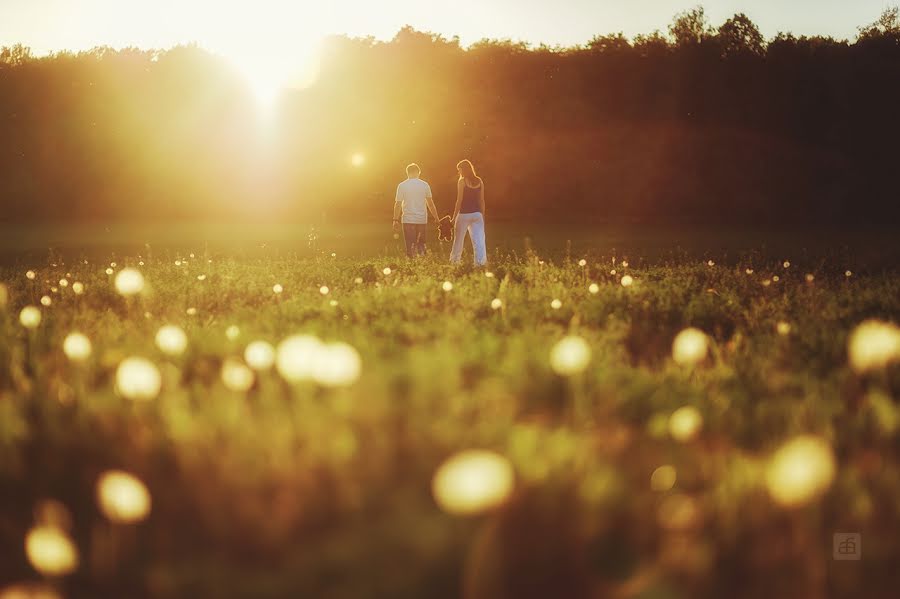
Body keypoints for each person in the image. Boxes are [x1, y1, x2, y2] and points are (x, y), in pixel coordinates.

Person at [394, 163, 439, 257]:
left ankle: (411, 265)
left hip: (407, 220)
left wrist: (395, 220)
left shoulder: (402, 185)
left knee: (410, 245)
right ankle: (421, 263)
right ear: (418, 172)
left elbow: (398, 204)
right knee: (421, 245)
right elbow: (430, 203)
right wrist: (436, 218)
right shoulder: (425, 185)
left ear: (407, 173)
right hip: (421, 219)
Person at [450, 159, 487, 266]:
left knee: (459, 240)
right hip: (477, 215)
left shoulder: (462, 181)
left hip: (464, 214)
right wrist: (482, 216)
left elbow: (459, 200)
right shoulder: (479, 181)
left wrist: (453, 218)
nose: (459, 172)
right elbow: (481, 200)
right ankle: (480, 264)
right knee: (479, 241)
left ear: (464, 169)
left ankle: (454, 262)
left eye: (459, 170)